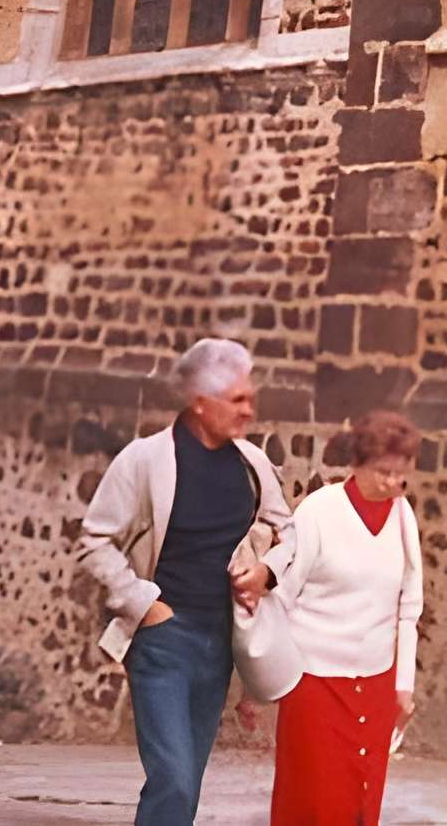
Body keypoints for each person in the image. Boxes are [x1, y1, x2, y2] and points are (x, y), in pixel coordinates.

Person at [79, 338, 294, 826]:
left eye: (249, 398)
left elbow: (290, 533)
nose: (249, 410)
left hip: (220, 642)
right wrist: (143, 604)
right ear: (201, 402)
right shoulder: (144, 459)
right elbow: (95, 540)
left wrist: (265, 572)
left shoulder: (253, 465)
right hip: (163, 639)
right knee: (173, 777)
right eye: (237, 400)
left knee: (187, 784)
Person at [266, 410, 426, 826]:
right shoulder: (318, 512)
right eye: (383, 472)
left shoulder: (403, 516)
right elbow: (282, 596)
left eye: (401, 475)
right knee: (316, 802)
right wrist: (261, 679)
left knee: (361, 802)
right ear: (357, 464)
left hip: (374, 683)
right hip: (313, 683)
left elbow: (409, 607)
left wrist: (403, 686)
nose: (393, 484)